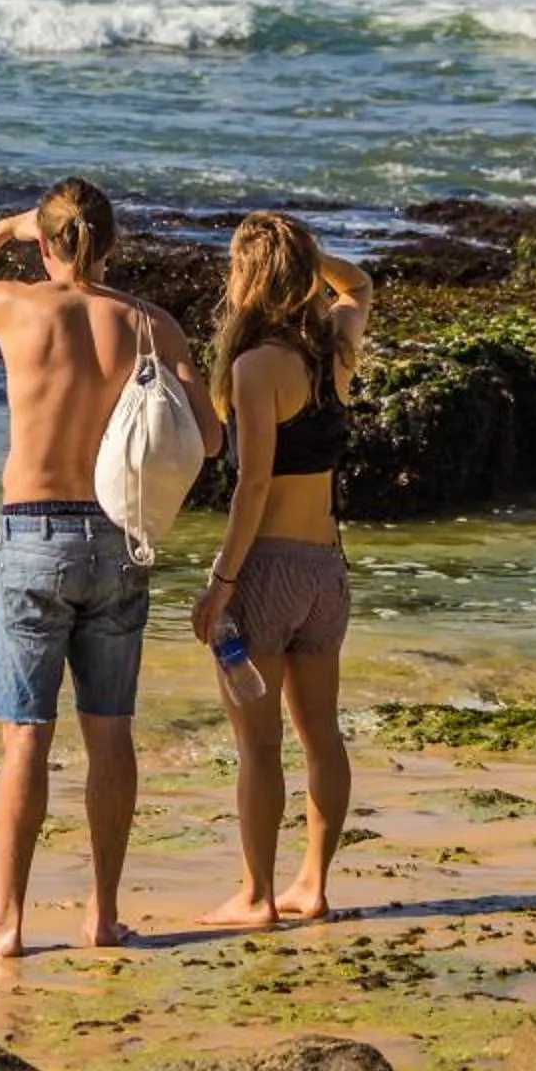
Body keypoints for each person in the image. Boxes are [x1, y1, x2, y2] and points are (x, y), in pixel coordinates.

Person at [0, 177, 218, 957]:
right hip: (118, 537)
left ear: (44, 243)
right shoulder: (151, 324)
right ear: (112, 244)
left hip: (32, 535)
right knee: (110, 734)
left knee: (26, 740)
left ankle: (7, 922)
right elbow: (210, 440)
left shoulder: (16, 305)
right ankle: (102, 916)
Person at [189, 212, 373, 928]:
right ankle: (314, 886)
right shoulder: (334, 349)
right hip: (327, 567)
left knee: (259, 745)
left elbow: (252, 487)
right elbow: (356, 283)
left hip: (266, 569)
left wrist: (222, 582)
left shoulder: (252, 367)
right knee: (321, 733)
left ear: (249, 277)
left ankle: (258, 896)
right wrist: (308, 259)